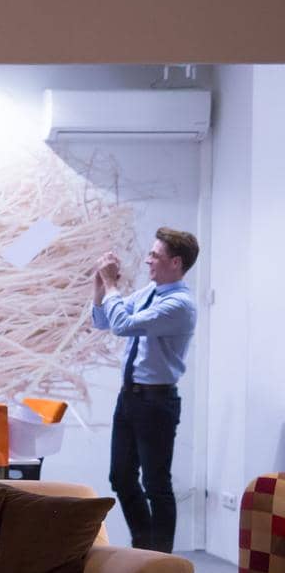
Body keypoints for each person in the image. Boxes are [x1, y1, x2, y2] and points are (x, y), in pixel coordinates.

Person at [91, 228, 199, 554]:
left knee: (156, 484)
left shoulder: (179, 305)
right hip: (131, 398)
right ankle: (144, 547)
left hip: (156, 402)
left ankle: (161, 562)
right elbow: (104, 320)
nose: (148, 260)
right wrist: (100, 285)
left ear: (176, 262)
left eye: (155, 255)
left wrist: (111, 286)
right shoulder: (150, 292)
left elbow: (123, 326)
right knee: (120, 477)